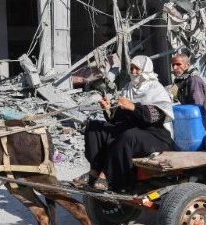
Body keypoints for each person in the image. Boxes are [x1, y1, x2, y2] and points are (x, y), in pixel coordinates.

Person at [73, 55, 174, 191]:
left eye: (137, 69)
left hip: (155, 135)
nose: (133, 72)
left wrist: (133, 107)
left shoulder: (156, 89)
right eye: (131, 69)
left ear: (146, 69)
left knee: (128, 136)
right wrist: (109, 110)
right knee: (94, 127)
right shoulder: (128, 88)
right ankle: (95, 170)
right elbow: (118, 119)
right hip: (130, 129)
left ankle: (108, 177)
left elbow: (154, 116)